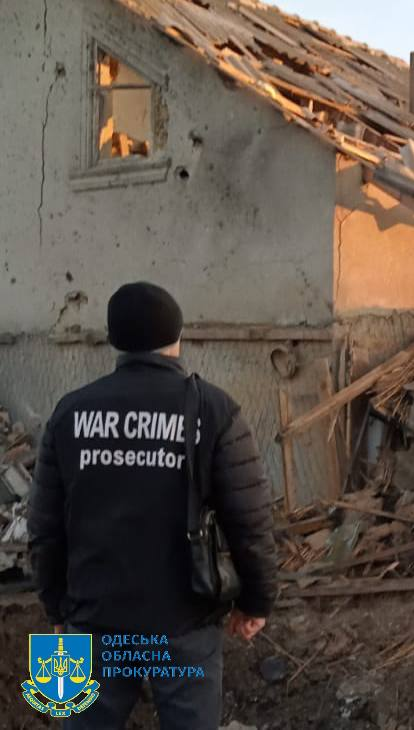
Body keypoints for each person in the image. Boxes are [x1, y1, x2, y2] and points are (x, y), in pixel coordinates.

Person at [28, 282, 277, 729]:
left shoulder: (69, 413)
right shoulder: (214, 411)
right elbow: (250, 521)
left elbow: (45, 527)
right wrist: (256, 601)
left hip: (92, 621)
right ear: (178, 336)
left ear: (113, 341)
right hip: (184, 624)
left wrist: (56, 608)